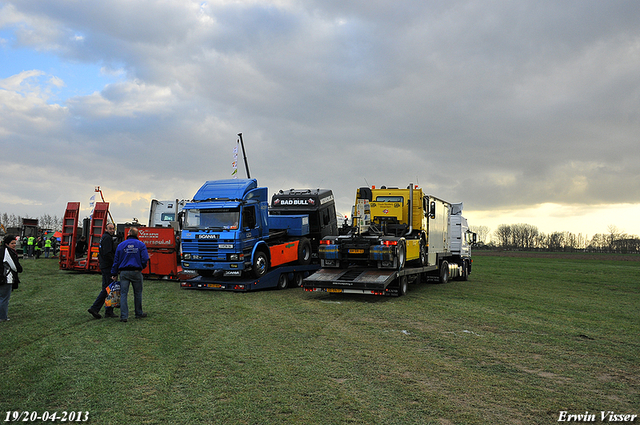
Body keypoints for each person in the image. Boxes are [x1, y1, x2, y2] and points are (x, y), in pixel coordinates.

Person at [111, 227, 149, 322]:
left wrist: (114, 273)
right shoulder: (141, 245)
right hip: (136, 271)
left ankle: (124, 316)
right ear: (137, 235)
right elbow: (145, 258)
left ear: (128, 233)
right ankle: (138, 313)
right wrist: (141, 266)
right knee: (138, 293)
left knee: (123, 294)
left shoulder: (121, 245)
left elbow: (116, 260)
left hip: (124, 272)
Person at [87, 223, 118, 319]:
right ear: (106, 229)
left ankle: (108, 310)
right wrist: (115, 264)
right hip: (108, 266)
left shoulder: (104, 237)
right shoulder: (108, 238)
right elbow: (107, 253)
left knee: (108, 288)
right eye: (110, 229)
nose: (112, 230)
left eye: (113, 229)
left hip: (104, 265)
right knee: (108, 288)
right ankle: (95, 308)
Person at [1, 235, 23, 322]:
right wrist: (19, 269)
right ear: (7, 243)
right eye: (12, 243)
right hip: (5, 278)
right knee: (4, 298)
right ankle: (2, 317)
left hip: (3, 277)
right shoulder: (7, 252)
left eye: (15, 243)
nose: (14, 245)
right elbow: (14, 266)